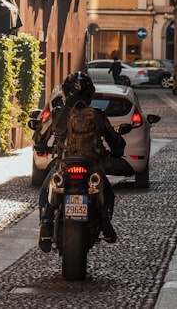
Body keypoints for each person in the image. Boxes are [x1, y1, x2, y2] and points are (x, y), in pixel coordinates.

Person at [33, 71, 125, 252]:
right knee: (107, 191)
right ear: (90, 94)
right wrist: (116, 150)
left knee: (45, 191)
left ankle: (45, 226)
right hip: (91, 165)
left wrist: (41, 147)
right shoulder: (96, 114)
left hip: (64, 164)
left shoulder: (57, 114)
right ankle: (106, 223)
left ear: (65, 94)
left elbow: (40, 137)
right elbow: (115, 140)